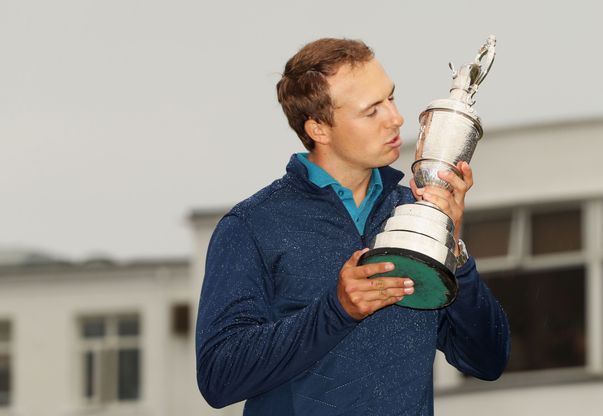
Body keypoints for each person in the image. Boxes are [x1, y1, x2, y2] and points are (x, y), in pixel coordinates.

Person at [196, 37, 510, 415]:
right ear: (319, 129)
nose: (396, 118)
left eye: (391, 98)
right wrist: (337, 309)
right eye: (372, 110)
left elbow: (487, 360)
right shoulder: (252, 226)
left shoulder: (413, 211)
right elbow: (219, 377)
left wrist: (451, 244)